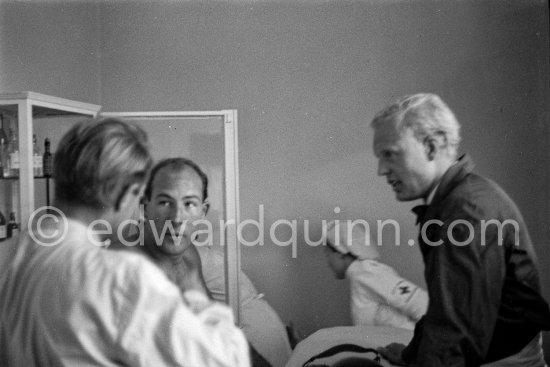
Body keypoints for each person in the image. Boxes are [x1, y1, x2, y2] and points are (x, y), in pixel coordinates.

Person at [0, 118, 250, 367]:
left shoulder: (10, 252)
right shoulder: (120, 276)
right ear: (122, 196)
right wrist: (194, 293)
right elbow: (227, 359)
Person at [371, 93, 550, 366]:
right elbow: (446, 308)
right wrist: (411, 355)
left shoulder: (466, 212)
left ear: (431, 146)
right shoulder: (460, 198)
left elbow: (455, 335)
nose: (381, 170)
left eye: (390, 154)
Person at [110, 157, 292, 367]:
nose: (177, 218)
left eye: (189, 204)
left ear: (203, 212)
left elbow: (220, 329)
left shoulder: (187, 257)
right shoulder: (118, 264)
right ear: (145, 208)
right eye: (165, 202)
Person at [323, 220, 428, 330]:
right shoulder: (360, 276)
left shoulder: (367, 273)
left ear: (340, 252)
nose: (328, 263)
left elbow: (420, 301)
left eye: (327, 254)